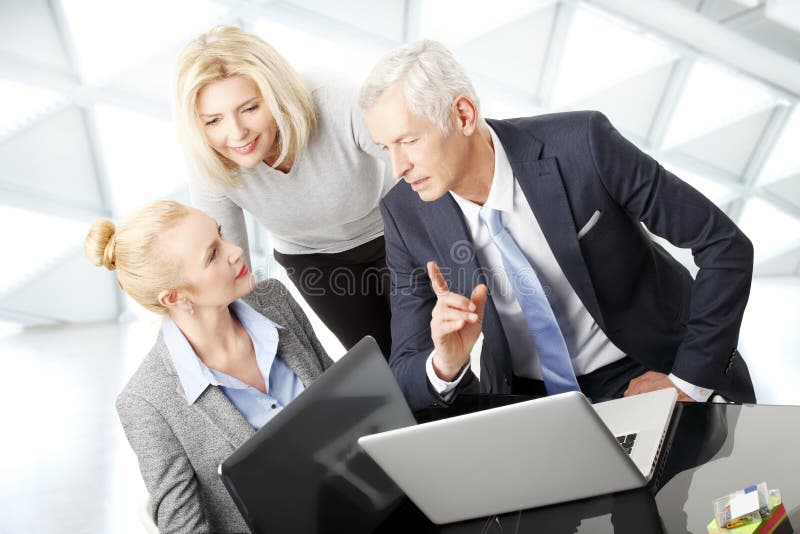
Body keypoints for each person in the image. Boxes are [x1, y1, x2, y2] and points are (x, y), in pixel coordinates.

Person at [359, 40, 756, 411]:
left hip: (646, 364)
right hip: (531, 402)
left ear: (463, 115)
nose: (398, 167)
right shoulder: (404, 214)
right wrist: (444, 363)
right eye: (385, 148)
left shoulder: (583, 145)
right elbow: (406, 369)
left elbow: (723, 245)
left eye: (408, 141)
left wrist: (686, 382)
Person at [85, 200, 333, 532]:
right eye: (212, 254)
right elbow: (184, 526)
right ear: (175, 298)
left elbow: (344, 397)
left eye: (220, 234)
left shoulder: (276, 301)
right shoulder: (147, 402)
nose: (235, 251)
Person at [174, 25, 394, 358]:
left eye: (249, 108)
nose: (237, 134)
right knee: (385, 359)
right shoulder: (208, 160)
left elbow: (415, 161)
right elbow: (226, 260)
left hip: (392, 229)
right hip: (314, 260)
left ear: (276, 94)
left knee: (430, 351)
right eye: (214, 120)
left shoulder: (331, 97)